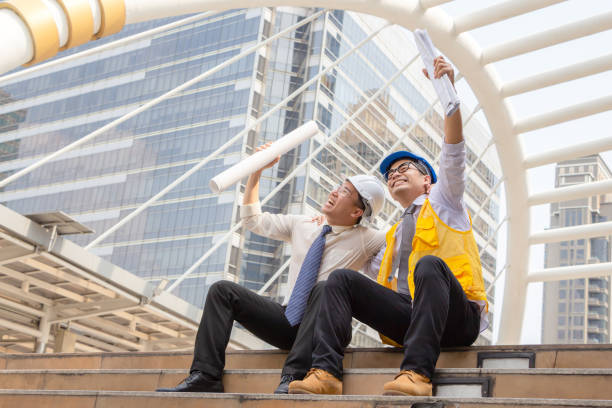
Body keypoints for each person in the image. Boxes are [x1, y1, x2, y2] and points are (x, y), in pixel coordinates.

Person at [288, 56, 489, 396]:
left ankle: (417, 375)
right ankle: (325, 373)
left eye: (404, 167)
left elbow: (454, 151)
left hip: (457, 317)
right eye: (390, 172)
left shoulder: (446, 202)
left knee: (429, 265)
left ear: (428, 180)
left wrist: (449, 94)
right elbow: (365, 269)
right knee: (340, 281)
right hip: (410, 320)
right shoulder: (393, 235)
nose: (394, 173)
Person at [157, 144, 387, 394]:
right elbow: (253, 220)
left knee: (324, 288)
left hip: (324, 329)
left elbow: (401, 247)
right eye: (339, 186)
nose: (333, 192)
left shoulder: (369, 238)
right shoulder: (304, 224)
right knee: (222, 291)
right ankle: (205, 374)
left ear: (357, 211)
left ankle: (293, 377)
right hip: (287, 320)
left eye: (344, 192)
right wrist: (256, 171)